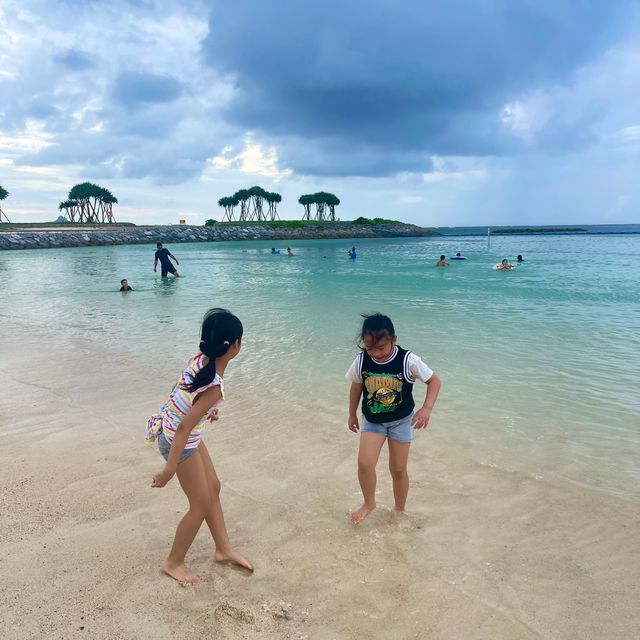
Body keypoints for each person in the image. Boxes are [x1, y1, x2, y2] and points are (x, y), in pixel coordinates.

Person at [145, 308, 253, 584]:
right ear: (236, 346)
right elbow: (183, 428)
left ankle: (223, 549)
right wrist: (169, 469)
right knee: (200, 504)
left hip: (179, 432)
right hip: (178, 440)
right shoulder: (214, 385)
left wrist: (206, 410)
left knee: (213, 487)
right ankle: (174, 562)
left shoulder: (200, 361)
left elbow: (180, 390)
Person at [346, 313, 441, 525]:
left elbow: (434, 381)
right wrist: (352, 414)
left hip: (401, 421)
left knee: (398, 470)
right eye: (370, 348)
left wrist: (426, 408)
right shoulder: (362, 361)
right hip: (373, 421)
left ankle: (399, 509)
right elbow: (355, 387)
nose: (375, 353)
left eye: (380, 348)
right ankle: (369, 502)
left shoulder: (408, 360)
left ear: (394, 340)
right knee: (364, 463)